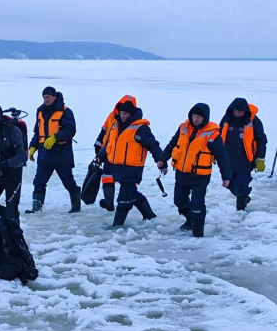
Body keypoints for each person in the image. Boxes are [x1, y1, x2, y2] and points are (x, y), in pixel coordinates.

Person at [158, 103, 231, 237]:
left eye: (199, 117)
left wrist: (226, 176)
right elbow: (172, 144)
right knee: (179, 201)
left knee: (197, 205)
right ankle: (191, 220)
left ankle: (198, 234)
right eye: (194, 116)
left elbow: (222, 156)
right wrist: (163, 160)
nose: (195, 119)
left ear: (205, 118)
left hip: (200, 176)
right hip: (182, 173)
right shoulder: (183, 128)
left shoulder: (212, 134)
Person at [96, 100, 165, 227]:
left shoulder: (140, 128)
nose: (123, 116)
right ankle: (150, 216)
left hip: (133, 169)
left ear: (132, 114)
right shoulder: (116, 125)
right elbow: (109, 145)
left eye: (126, 114)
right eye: (121, 113)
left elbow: (153, 145)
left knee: (124, 199)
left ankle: (116, 227)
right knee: (132, 193)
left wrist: (161, 161)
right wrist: (100, 156)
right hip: (118, 168)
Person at [26, 87, 80, 214]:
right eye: (44, 97)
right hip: (45, 155)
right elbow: (37, 132)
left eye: (48, 97)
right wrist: (33, 146)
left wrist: (56, 137)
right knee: (39, 182)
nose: (46, 100)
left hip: (62, 155)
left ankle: (76, 207)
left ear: (55, 97)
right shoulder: (40, 111)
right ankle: (36, 209)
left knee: (69, 183)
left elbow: (70, 130)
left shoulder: (66, 112)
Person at [219, 98, 267, 210]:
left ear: (245, 110)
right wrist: (213, 153)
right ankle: (244, 198)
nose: (237, 113)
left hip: (245, 160)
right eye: (235, 111)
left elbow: (261, 140)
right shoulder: (227, 119)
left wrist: (260, 158)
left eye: (240, 111)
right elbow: (217, 136)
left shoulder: (254, 121)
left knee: (241, 184)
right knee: (228, 183)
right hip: (228, 159)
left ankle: (240, 209)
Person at [94, 95, 137, 212]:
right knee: (107, 177)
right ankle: (109, 203)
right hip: (109, 151)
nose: (122, 113)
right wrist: (98, 145)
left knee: (128, 185)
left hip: (126, 158)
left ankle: (145, 211)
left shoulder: (135, 122)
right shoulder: (112, 116)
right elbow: (104, 130)